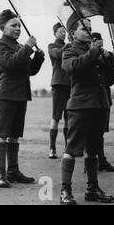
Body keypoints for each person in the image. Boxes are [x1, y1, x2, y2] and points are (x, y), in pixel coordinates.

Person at [59, 15, 114, 205]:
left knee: (93, 150)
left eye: (90, 29)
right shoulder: (69, 51)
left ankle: (92, 189)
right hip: (80, 107)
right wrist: (93, 53)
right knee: (71, 149)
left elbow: (109, 80)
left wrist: (112, 61)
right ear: (72, 33)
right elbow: (73, 68)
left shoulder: (96, 52)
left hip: (98, 106)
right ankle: (65, 191)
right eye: (84, 28)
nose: (89, 32)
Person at [0, 9, 45, 188]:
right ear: (3, 27)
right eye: (13, 25)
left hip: (20, 95)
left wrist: (38, 58)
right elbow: (11, 64)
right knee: (2, 134)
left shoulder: (19, 46)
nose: (18, 29)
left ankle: (12, 171)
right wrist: (28, 48)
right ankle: (0, 173)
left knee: (14, 136)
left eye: (19, 26)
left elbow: (30, 71)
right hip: (5, 95)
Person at [91, 32, 114, 172]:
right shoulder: (89, 55)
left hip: (103, 98)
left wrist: (113, 60)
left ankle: (101, 160)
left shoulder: (105, 56)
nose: (100, 42)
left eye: (101, 40)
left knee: (100, 132)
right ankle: (92, 161)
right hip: (91, 99)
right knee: (91, 132)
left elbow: (111, 79)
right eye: (96, 40)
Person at [48, 23, 71, 159]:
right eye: (61, 31)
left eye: (65, 32)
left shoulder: (68, 46)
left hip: (70, 84)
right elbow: (58, 54)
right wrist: (68, 46)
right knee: (56, 117)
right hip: (58, 84)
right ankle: (52, 148)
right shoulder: (52, 46)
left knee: (68, 117)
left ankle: (68, 147)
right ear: (55, 33)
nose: (64, 33)